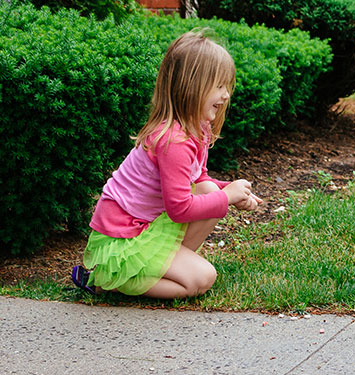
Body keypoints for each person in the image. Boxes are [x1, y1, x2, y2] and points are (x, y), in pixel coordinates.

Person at [71, 29, 261, 299]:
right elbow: (180, 208)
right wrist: (226, 197)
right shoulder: (174, 141)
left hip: (144, 224)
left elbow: (198, 179)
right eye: (218, 86)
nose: (226, 95)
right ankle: (108, 280)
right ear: (191, 87)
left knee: (210, 193)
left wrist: (229, 190)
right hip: (125, 235)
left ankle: (162, 265)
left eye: (226, 86)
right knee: (202, 279)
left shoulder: (198, 128)